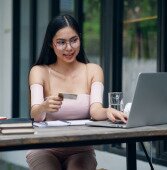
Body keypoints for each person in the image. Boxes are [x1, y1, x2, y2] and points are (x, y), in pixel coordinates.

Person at [26, 14, 127, 170]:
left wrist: (107, 111)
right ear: (51, 44)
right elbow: (35, 114)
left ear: (80, 39)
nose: (69, 48)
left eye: (74, 40)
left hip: (81, 150)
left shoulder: (93, 71)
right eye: (61, 42)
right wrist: (44, 107)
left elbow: (95, 111)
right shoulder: (39, 71)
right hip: (44, 148)